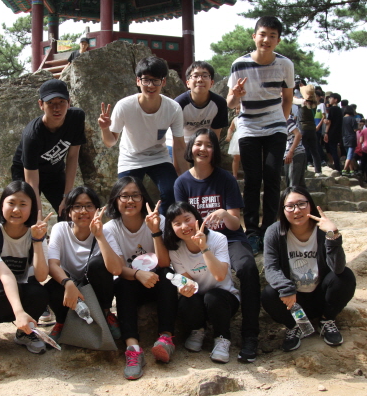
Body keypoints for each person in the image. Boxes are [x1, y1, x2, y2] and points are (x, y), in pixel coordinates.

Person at [173, 128, 261, 361]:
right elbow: (180, 220)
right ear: (191, 148)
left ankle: (250, 334)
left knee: (248, 268)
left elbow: (235, 224)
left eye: (209, 145)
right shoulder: (182, 183)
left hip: (230, 238)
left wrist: (223, 213)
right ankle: (197, 327)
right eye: (198, 144)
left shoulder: (226, 179)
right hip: (198, 240)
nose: (203, 149)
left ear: (215, 151)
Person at [226, 16, 294, 246]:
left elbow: (287, 98)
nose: (266, 40)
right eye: (262, 34)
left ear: (278, 40)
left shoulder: (285, 64)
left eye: (272, 36)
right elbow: (231, 103)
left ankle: (270, 229)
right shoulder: (239, 64)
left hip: (276, 126)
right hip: (248, 127)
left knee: (273, 176)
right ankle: (252, 230)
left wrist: (282, 122)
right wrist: (236, 95)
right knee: (253, 178)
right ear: (254, 36)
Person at [261, 186, 356, 352]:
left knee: (345, 276)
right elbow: (270, 267)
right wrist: (286, 288)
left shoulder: (322, 231)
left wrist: (333, 235)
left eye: (301, 204)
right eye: (290, 206)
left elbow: (337, 268)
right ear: (283, 210)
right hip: (293, 301)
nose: (297, 210)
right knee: (268, 294)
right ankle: (296, 325)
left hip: (321, 295)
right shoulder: (274, 232)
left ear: (310, 205)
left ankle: (326, 320)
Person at [103, 176, 177, 380]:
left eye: (135, 195)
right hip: (132, 283)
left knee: (168, 274)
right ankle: (133, 349)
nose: (130, 201)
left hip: (157, 282)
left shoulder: (159, 220)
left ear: (143, 198)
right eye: (124, 196)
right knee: (123, 283)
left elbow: (164, 262)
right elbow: (118, 268)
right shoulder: (110, 229)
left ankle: (166, 339)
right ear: (115, 200)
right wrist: (137, 274)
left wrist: (155, 232)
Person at [0, 181, 51, 355]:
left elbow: (41, 276)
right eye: (11, 203)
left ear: (32, 208)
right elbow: (5, 275)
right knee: (3, 289)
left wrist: (37, 241)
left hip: (15, 293)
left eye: (23, 204)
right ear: (1, 205)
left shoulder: (36, 234)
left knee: (39, 292)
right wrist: (19, 312)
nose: (16, 210)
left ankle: (24, 332)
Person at [98, 56, 185, 215]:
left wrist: (185, 177)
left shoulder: (173, 108)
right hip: (131, 157)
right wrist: (105, 128)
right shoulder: (124, 106)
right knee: (125, 197)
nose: (150, 85)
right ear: (138, 81)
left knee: (171, 191)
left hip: (158, 156)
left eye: (156, 80)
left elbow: (179, 145)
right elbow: (110, 142)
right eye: (146, 80)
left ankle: (162, 225)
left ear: (163, 82)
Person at [163, 202, 240, 363]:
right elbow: (188, 281)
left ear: (197, 217)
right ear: (171, 227)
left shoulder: (218, 239)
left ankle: (222, 337)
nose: (185, 226)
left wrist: (203, 247)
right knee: (186, 300)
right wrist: (183, 288)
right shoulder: (175, 249)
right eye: (177, 223)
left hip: (224, 299)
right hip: (199, 299)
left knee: (213, 297)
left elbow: (220, 276)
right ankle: (197, 330)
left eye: (187, 219)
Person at [44, 186, 123, 342]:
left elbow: (117, 269)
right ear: (69, 211)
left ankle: (106, 313)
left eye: (89, 206)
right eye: (77, 206)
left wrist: (99, 236)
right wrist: (68, 283)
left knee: (98, 264)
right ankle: (61, 321)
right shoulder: (60, 229)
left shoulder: (105, 232)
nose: (83, 211)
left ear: (97, 210)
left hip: (94, 286)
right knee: (52, 286)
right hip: (69, 286)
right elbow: (52, 264)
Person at [11, 79, 86, 217]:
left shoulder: (76, 118)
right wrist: (38, 215)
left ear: (69, 102)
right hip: (25, 172)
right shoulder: (32, 135)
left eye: (61, 102)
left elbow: (72, 156)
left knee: (68, 212)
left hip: (54, 171)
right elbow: (32, 181)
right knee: (29, 214)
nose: (56, 108)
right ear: (41, 104)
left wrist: (66, 196)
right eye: (50, 103)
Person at [168, 61, 228, 145]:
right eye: (195, 76)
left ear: (211, 83)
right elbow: (176, 139)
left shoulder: (219, 103)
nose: (200, 80)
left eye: (205, 76)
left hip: (203, 145)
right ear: (188, 83)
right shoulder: (179, 104)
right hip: (179, 143)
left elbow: (215, 135)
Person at [300, 85, 322, 177]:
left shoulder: (303, 103)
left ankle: (304, 169)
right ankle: (318, 170)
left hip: (303, 129)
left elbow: (293, 100)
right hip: (312, 129)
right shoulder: (315, 104)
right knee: (314, 151)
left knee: (303, 150)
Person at [284, 113, 307, 188]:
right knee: (299, 185)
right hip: (296, 153)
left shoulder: (287, 120)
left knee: (292, 185)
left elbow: (298, 135)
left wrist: (291, 152)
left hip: (295, 154)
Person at [323, 93, 343, 171]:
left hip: (331, 132)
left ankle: (337, 167)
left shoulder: (332, 109)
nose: (329, 99)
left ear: (335, 100)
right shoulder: (340, 110)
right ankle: (338, 167)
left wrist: (326, 133)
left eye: (331, 98)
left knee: (332, 150)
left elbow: (329, 122)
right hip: (338, 132)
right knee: (335, 149)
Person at [341, 106, 358, 176]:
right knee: (350, 155)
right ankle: (344, 169)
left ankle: (351, 170)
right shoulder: (352, 119)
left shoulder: (341, 119)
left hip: (344, 138)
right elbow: (355, 129)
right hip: (351, 138)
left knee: (348, 154)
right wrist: (359, 128)